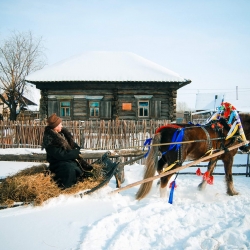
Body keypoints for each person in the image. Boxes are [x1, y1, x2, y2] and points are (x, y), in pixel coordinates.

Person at [42, 113, 93, 188]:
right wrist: (74, 153)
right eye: (59, 124)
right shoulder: (50, 139)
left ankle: (80, 179)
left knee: (77, 166)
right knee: (70, 168)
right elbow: (60, 155)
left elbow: (74, 145)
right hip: (57, 163)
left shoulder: (63, 134)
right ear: (55, 126)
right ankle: (67, 187)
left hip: (66, 160)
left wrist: (76, 149)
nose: (61, 126)